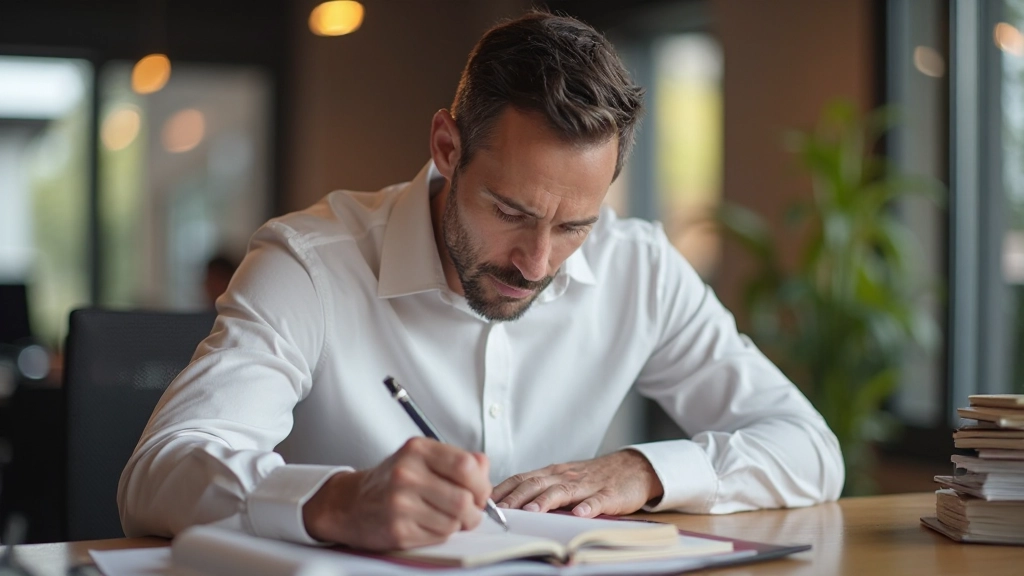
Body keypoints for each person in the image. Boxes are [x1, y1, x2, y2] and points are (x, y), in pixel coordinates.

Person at [118, 11, 844, 551]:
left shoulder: (640, 267)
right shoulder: (309, 263)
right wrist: (334, 501)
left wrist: (643, 472)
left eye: (573, 227)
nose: (536, 262)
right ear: (446, 147)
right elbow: (158, 472)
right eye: (511, 211)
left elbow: (810, 450)